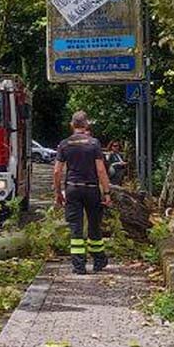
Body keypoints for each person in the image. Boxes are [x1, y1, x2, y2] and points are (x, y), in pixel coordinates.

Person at [53, 112, 113, 274]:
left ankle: (79, 266)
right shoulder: (94, 144)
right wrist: (107, 193)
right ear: (86, 125)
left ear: (72, 125)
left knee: (76, 227)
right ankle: (99, 260)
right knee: (94, 224)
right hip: (92, 189)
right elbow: (101, 170)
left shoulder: (64, 144)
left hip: (72, 188)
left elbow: (57, 172)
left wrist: (58, 193)